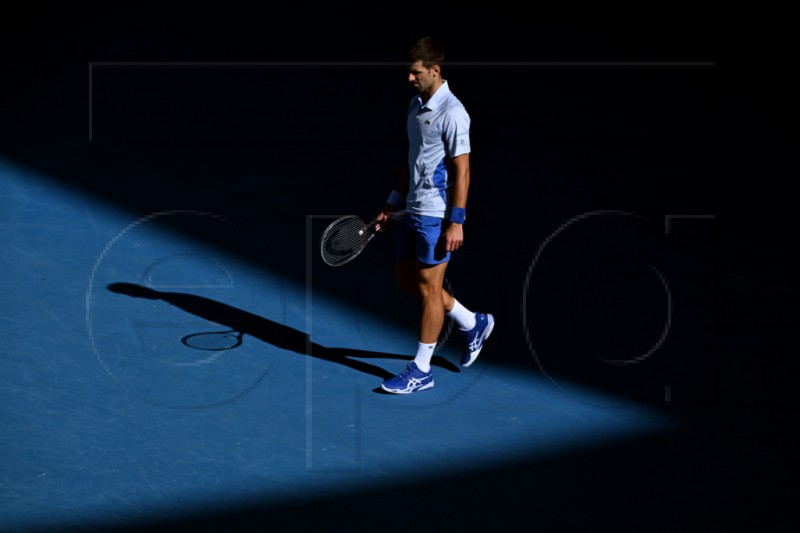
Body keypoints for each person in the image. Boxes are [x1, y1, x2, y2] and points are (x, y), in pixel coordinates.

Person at [376, 36, 494, 394]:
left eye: (415, 73)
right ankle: (472, 321)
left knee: (429, 289)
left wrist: (456, 220)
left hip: (437, 213)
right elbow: (411, 159)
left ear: (434, 70)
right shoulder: (415, 106)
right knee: (407, 283)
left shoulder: (454, 113)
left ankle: (421, 370)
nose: (410, 79)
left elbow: (463, 170)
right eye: (408, 72)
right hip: (412, 207)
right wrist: (392, 203)